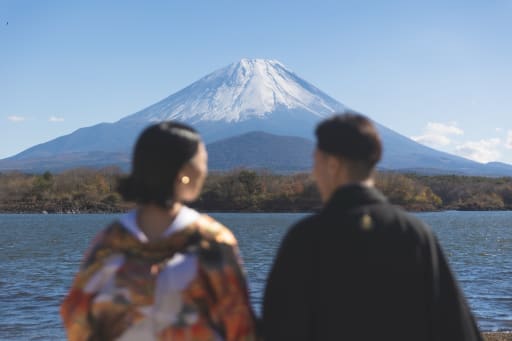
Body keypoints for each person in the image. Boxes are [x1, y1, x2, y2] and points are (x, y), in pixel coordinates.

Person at [263, 113, 483, 341]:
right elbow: (456, 329)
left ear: (332, 164)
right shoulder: (415, 233)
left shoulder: (305, 238)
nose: (313, 172)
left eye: (315, 161)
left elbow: (278, 328)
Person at [61, 122, 258, 340]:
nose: (205, 171)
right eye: (203, 161)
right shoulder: (211, 242)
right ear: (183, 172)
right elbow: (240, 326)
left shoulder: (109, 243)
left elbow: (77, 319)